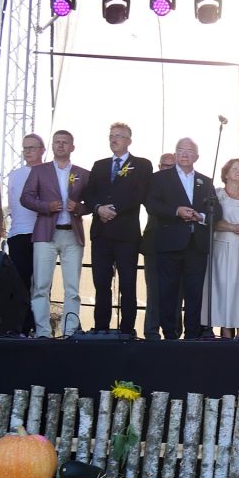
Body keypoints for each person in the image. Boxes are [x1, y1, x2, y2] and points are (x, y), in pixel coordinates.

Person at [81, 122, 153, 335]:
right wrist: (98, 208)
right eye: (111, 136)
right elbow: (88, 194)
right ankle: (101, 328)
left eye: (119, 136)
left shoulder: (141, 165)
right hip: (101, 233)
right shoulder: (99, 165)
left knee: (128, 283)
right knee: (101, 282)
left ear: (129, 140)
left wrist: (113, 210)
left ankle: (127, 329)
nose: (114, 139)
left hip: (126, 234)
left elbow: (140, 194)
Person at [19, 130, 90, 338]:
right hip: (45, 234)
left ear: (72, 147)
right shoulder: (39, 171)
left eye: (65, 142)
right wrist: (46, 206)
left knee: (72, 288)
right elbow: (26, 197)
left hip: (72, 235)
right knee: (40, 285)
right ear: (52, 146)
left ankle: (69, 331)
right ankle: (42, 331)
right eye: (57, 142)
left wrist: (79, 207)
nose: (60, 145)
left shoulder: (83, 173)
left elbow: (91, 203)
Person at [144, 138, 214, 340]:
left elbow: (215, 210)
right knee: (167, 292)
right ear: (175, 154)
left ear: (196, 156)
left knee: (195, 293)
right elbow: (151, 205)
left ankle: (192, 336)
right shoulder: (159, 178)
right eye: (180, 150)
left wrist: (200, 216)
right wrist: (176, 211)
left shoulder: (205, 181)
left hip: (196, 245)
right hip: (169, 243)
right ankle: (169, 335)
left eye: (189, 150)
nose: (184, 154)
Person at [203, 159, 239, 338]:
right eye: (235, 169)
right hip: (223, 249)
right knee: (224, 288)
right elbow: (211, 221)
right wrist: (232, 227)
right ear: (226, 173)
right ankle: (226, 333)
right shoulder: (217, 195)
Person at [142, 153, 180, 340]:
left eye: (172, 167)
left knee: (177, 291)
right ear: (159, 166)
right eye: (165, 166)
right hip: (154, 244)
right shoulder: (152, 183)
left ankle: (173, 333)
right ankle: (151, 332)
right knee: (154, 291)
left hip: (179, 245)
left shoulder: (183, 185)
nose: (168, 170)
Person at [6, 134, 44, 291]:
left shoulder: (50, 172)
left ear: (42, 150)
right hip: (18, 233)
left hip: (43, 235)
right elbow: (11, 205)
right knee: (20, 284)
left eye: (32, 148)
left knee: (42, 284)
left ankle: (40, 309)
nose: (27, 151)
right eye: (25, 148)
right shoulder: (14, 175)